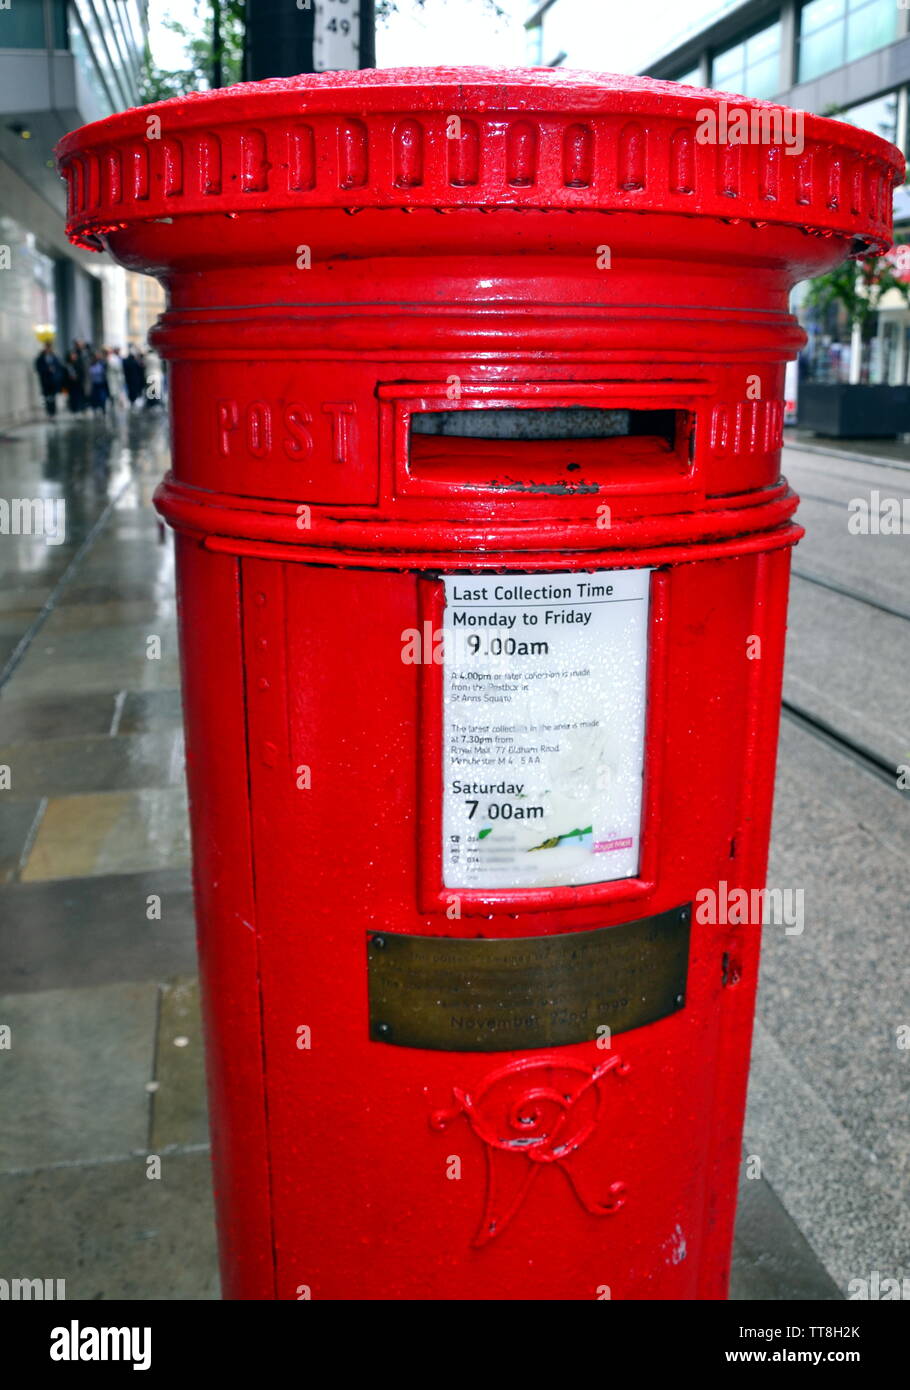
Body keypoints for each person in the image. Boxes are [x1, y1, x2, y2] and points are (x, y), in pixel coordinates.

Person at [34, 343, 65, 417]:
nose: (48, 349)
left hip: (54, 381)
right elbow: (38, 368)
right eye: (47, 348)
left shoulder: (54, 357)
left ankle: (53, 411)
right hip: (45, 381)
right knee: (47, 397)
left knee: (53, 397)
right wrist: (47, 370)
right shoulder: (41, 358)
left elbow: (59, 368)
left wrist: (57, 376)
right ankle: (49, 411)